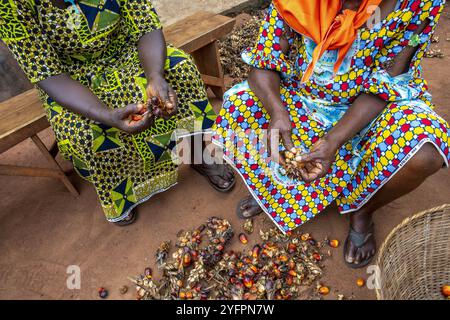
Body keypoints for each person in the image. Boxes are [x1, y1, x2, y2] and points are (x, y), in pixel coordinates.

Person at [212, 0, 449, 268]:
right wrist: (277, 111)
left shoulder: (417, 3)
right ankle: (274, 190)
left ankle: (362, 210)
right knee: (239, 102)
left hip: (373, 107)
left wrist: (333, 139)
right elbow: (264, 61)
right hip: (305, 95)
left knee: (424, 153)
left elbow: (390, 82)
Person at [0, 0, 235, 226]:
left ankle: (197, 153)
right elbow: (47, 73)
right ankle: (122, 194)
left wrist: (154, 76)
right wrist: (104, 114)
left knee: (181, 70)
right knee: (84, 130)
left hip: (127, 52)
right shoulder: (11, 6)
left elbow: (146, 27)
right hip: (71, 78)